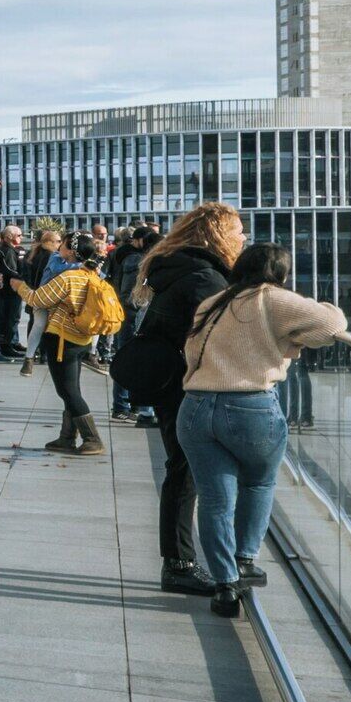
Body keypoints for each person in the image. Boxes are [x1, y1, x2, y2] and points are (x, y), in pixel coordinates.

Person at [177, 242, 349, 616]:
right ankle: (243, 560)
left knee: (214, 500)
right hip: (249, 405)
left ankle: (224, 585)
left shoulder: (215, 302)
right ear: (279, 274)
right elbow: (330, 326)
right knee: (258, 482)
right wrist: (327, 309)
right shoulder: (271, 298)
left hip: (195, 407)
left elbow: (191, 353)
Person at [113, 202, 244, 596]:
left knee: (182, 469)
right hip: (185, 383)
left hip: (171, 380)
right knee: (185, 472)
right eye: (238, 231)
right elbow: (223, 335)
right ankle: (180, 563)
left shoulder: (183, 267)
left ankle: (181, 559)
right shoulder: (205, 278)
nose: (243, 238)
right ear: (218, 235)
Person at [17, 234, 126, 454]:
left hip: (62, 340)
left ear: (71, 251)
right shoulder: (94, 275)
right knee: (72, 388)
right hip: (82, 338)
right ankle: (66, 437)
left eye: (63, 246)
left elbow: (38, 299)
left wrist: (19, 287)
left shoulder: (68, 277)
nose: (60, 249)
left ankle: (92, 438)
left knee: (67, 391)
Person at [100, 224, 161, 421]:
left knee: (125, 358)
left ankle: (126, 405)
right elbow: (131, 294)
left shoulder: (123, 256)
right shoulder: (136, 261)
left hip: (124, 313)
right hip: (131, 316)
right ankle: (125, 406)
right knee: (130, 361)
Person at [0, 222, 31, 362]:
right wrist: (24, 279)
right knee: (7, 319)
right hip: (7, 291)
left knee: (13, 318)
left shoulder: (14, 249)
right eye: (18, 235)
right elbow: (9, 270)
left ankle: (11, 343)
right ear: (8, 236)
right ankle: (5, 346)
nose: (21, 237)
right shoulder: (2, 250)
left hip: (13, 289)